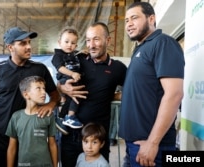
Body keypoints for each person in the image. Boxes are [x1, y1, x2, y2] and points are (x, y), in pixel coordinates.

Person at [0, 27, 60, 167]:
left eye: (29, 42)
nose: (29, 46)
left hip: (25, 143)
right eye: (23, 43)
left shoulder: (40, 69)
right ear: (10, 47)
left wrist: (51, 104)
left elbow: (55, 96)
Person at [119, 2, 184, 167]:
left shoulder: (163, 43)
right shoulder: (140, 49)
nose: (129, 24)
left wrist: (153, 143)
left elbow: (174, 94)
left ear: (151, 19)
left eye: (134, 18)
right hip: (134, 144)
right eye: (126, 20)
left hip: (152, 147)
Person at [58, 22, 127, 167]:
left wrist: (111, 95)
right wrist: (63, 89)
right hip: (71, 136)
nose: (91, 45)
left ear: (108, 40)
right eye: (88, 40)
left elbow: (131, 91)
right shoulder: (77, 60)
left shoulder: (118, 68)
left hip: (98, 139)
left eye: (96, 39)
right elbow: (59, 83)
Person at [6, 76, 58, 167]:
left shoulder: (48, 115)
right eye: (38, 88)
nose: (43, 92)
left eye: (44, 89)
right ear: (26, 94)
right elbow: (12, 147)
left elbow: (52, 144)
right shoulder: (16, 117)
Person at [51, 27, 84, 134]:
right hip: (65, 79)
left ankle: (62, 118)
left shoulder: (74, 55)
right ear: (59, 43)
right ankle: (70, 116)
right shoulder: (58, 55)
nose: (69, 45)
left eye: (73, 43)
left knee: (72, 98)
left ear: (76, 45)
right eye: (66, 42)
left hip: (73, 79)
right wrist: (72, 74)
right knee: (74, 96)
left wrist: (83, 52)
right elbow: (60, 68)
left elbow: (78, 54)